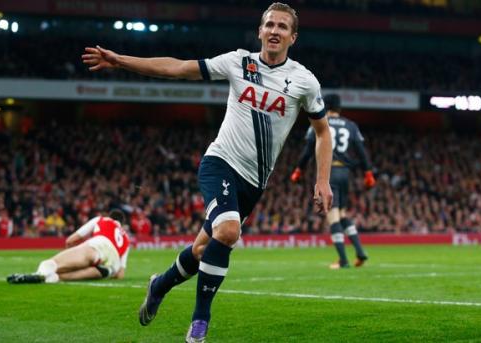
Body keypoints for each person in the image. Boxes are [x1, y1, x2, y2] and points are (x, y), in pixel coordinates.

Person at [82, 3, 333, 342]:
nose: (275, 31)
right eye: (269, 24)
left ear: (293, 37)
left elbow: (323, 132)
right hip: (219, 162)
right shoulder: (238, 62)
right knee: (228, 232)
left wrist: (322, 180)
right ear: (259, 31)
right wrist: (121, 60)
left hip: (254, 182)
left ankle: (160, 284)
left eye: (282, 27)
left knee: (203, 251)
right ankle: (200, 323)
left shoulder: (304, 81)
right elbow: (178, 68)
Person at [291, 94, 376, 269]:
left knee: (332, 217)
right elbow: (361, 151)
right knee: (342, 215)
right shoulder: (351, 125)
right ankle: (360, 252)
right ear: (339, 107)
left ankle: (343, 260)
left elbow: (308, 150)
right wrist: (368, 172)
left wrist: (299, 170)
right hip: (346, 173)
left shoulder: (319, 123)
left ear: (325, 105)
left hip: (329, 173)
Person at [6, 209, 130, 283]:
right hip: (110, 267)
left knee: (50, 264)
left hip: (97, 246)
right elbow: (120, 274)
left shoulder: (101, 220)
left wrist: (72, 255)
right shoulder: (127, 240)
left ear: (110, 216)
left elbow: (71, 240)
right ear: (122, 223)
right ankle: (51, 278)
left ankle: (38, 274)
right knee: (60, 276)